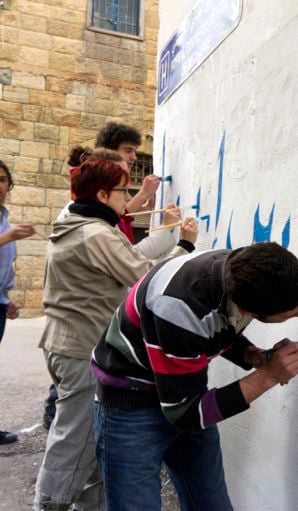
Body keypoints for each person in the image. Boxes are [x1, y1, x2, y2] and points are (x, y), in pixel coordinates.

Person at [91, 242, 298, 510]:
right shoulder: (177, 305)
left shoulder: (245, 271)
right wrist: (267, 376)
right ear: (247, 310)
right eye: (291, 311)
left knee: (211, 504)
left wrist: (250, 355)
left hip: (182, 391)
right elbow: (185, 413)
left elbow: (212, 327)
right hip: (131, 404)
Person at [34, 157, 198, 511]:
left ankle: (88, 504)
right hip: (80, 346)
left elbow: (127, 255)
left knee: (91, 435)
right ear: (103, 193)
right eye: (125, 190)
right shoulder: (94, 232)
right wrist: (184, 246)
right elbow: (143, 277)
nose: (131, 198)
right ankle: (48, 504)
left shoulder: (78, 220)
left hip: (68, 343)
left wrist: (167, 232)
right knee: (74, 439)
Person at [0, 160, 36, 445]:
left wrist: (7, 298)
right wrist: (10, 236)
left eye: (2, 179)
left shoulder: (4, 217)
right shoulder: (6, 227)